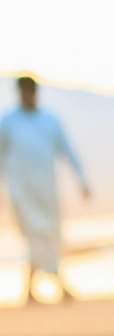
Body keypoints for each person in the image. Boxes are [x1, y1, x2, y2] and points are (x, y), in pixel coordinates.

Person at [0, 76, 90, 305]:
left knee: (50, 236)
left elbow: (66, 150)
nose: (28, 95)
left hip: (47, 191)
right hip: (22, 192)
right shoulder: (8, 123)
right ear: (19, 93)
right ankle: (56, 286)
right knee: (36, 237)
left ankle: (33, 290)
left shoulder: (49, 120)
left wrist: (81, 178)